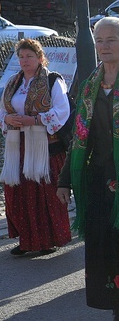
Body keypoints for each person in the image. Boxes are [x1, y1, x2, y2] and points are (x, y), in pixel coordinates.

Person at [57, 16, 119, 318]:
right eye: (100, 40)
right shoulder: (90, 84)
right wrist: (65, 180)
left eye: (112, 40)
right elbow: (79, 138)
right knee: (102, 248)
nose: (104, 46)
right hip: (98, 182)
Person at [0, 38, 72, 256]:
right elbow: (3, 110)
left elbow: (61, 111)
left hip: (45, 148)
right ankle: (27, 240)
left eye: (29, 56)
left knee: (44, 194)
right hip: (19, 146)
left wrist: (35, 120)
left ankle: (47, 240)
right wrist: (8, 120)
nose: (24, 60)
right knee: (19, 193)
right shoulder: (14, 82)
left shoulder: (52, 81)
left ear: (40, 58)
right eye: (21, 56)